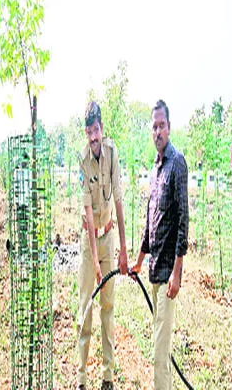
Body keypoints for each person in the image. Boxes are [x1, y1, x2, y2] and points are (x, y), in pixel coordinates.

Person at [131, 100, 188, 390]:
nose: (157, 132)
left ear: (169, 126)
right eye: (153, 127)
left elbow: (182, 220)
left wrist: (178, 272)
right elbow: (149, 223)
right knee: (160, 348)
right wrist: (139, 261)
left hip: (168, 275)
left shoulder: (177, 162)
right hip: (153, 272)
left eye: (161, 125)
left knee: (159, 354)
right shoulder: (155, 170)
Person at [77, 101, 128, 390]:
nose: (93, 137)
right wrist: (95, 262)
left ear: (102, 128)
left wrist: (122, 248)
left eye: (96, 130)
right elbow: (87, 211)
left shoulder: (112, 152)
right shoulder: (83, 159)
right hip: (89, 244)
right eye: (88, 132)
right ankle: (82, 376)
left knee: (108, 307)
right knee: (86, 306)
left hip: (108, 240)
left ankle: (108, 375)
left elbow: (118, 200)